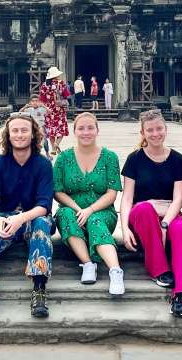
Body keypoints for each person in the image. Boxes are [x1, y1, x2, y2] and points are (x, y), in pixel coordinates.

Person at [0, 113, 54, 319]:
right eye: (15, 130)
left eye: (24, 130)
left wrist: (21, 218)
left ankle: (39, 288)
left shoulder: (43, 164)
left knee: (41, 221)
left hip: (32, 218)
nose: (20, 134)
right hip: (4, 218)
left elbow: (45, 205)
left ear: (33, 134)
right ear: (8, 134)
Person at [119, 109, 182, 317]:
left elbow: (178, 198)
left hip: (169, 214)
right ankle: (160, 269)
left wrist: (165, 224)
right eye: (150, 130)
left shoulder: (178, 159)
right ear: (143, 133)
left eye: (159, 129)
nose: (155, 134)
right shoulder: (134, 159)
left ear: (166, 129)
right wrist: (125, 228)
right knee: (144, 207)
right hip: (142, 217)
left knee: (181, 229)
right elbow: (127, 198)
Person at [53, 112, 124, 296]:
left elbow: (112, 193)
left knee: (95, 220)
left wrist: (90, 210)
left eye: (90, 128)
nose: (86, 132)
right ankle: (87, 264)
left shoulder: (109, 157)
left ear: (97, 130)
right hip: (72, 210)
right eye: (81, 128)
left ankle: (115, 271)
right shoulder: (63, 158)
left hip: (103, 211)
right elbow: (57, 192)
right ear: (74, 131)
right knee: (65, 215)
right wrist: (79, 209)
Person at [38, 67, 72, 155]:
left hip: (49, 111)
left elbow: (42, 100)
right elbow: (67, 95)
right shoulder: (61, 83)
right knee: (61, 130)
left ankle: (53, 148)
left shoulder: (44, 85)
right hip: (59, 110)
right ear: (56, 75)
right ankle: (56, 144)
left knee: (51, 130)